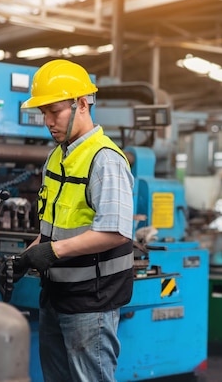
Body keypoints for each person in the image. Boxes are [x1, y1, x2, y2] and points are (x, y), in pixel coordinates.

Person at [15, 59, 135, 382]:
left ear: (82, 104)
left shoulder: (105, 160)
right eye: (43, 114)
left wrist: (52, 253)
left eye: (54, 112)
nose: (48, 122)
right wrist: (26, 256)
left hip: (91, 302)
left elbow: (116, 232)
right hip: (55, 296)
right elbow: (53, 229)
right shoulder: (57, 156)